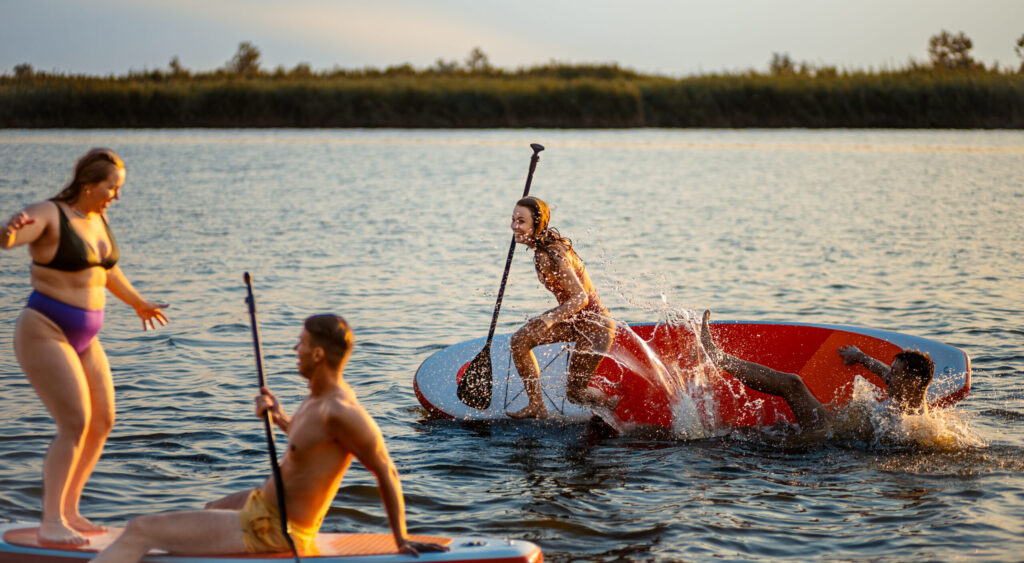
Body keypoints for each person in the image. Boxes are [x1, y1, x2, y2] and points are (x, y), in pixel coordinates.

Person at [93, 314, 449, 561]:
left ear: (318, 354)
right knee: (210, 509)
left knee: (141, 529)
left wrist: (400, 539)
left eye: (301, 344)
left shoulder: (343, 411)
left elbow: (386, 471)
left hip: (277, 531)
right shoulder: (316, 398)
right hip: (260, 508)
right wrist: (277, 416)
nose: (295, 350)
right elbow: (305, 442)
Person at [1, 148, 168, 545]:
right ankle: (50, 521)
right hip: (45, 331)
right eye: (113, 188)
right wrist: (10, 232)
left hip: (86, 338)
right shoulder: (48, 213)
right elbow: (15, 236)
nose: (116, 196)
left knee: (103, 421)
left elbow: (107, 270)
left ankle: (71, 509)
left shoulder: (98, 219)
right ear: (90, 183)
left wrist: (138, 302)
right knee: (74, 423)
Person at [699, 310, 935, 434]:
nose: (888, 376)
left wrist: (802, 442)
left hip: (827, 434)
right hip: (835, 427)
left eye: (895, 374)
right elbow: (883, 372)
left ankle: (718, 357)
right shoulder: (906, 392)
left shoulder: (905, 424)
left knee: (792, 384)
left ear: (912, 383)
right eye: (891, 372)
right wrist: (861, 357)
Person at [507, 196, 618, 419]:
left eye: (521, 221)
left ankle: (611, 403)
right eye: (513, 220)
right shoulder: (541, 251)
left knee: (575, 394)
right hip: (575, 321)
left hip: (597, 327)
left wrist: (550, 318)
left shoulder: (553, 253)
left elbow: (580, 298)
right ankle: (536, 406)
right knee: (519, 341)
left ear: (537, 225)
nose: (514, 227)